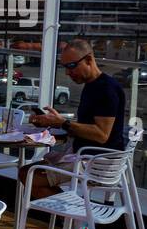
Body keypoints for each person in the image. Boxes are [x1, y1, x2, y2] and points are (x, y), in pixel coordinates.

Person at [21, 38, 127, 205]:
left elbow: (101, 135)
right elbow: (90, 127)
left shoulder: (106, 90)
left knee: (29, 175)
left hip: (97, 163)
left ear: (89, 59)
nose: (68, 73)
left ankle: (79, 221)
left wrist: (63, 123)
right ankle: (78, 221)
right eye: (65, 67)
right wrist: (57, 121)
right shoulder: (93, 86)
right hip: (90, 157)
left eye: (71, 66)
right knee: (28, 174)